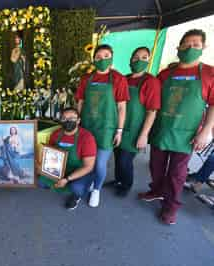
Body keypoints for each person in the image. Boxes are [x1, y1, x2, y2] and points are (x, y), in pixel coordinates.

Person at [138, 29, 214, 225]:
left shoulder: (209, 73)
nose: (190, 48)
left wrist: (206, 131)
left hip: (187, 133)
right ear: (179, 47)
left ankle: (170, 207)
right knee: (156, 166)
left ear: (203, 48)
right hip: (162, 129)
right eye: (186, 44)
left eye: (196, 45)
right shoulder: (165, 74)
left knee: (177, 173)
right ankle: (156, 191)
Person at [76, 44, 129, 207]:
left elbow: (121, 107)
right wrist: (78, 122)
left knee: (99, 163)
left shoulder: (118, 79)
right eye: (98, 57)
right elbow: (80, 102)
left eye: (106, 56)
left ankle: (96, 189)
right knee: (86, 159)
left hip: (106, 128)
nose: (102, 59)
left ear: (111, 58)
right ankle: (89, 182)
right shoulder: (86, 79)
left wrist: (119, 130)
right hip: (87, 125)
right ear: (94, 60)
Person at [108, 47, 161, 196]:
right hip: (119, 126)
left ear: (148, 61)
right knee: (118, 155)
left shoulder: (151, 82)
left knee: (125, 159)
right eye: (136, 57)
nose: (139, 60)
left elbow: (152, 111)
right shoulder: (124, 78)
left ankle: (126, 184)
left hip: (135, 129)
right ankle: (118, 180)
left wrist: (144, 134)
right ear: (130, 59)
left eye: (144, 57)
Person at [38, 107, 97, 210]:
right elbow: (50, 154)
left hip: (79, 171)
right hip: (60, 168)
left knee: (76, 188)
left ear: (78, 121)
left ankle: (77, 195)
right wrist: (43, 167)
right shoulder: (56, 134)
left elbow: (88, 167)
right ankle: (59, 184)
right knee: (40, 182)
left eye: (72, 118)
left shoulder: (87, 138)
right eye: (64, 118)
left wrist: (67, 179)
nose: (68, 121)